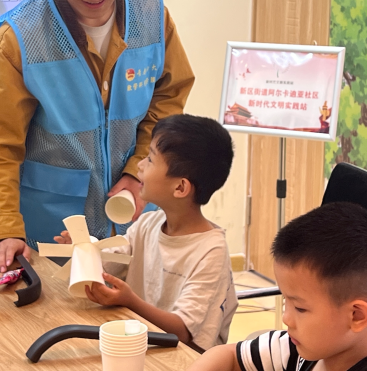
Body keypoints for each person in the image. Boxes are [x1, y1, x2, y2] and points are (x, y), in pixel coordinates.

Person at [0, 0, 195, 272]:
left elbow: (168, 100)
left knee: (137, 303)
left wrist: (138, 171)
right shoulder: (19, 38)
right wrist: (3, 228)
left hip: (137, 216)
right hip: (53, 226)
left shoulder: (152, 14)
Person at [55, 115, 238, 351]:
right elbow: (110, 263)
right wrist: (85, 249)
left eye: (150, 159)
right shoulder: (149, 223)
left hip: (184, 359)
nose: (140, 165)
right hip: (141, 343)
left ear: (180, 187)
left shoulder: (211, 252)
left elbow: (183, 331)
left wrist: (130, 301)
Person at [188, 202, 367, 371]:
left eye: (300, 308)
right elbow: (228, 356)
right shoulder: (297, 347)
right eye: (286, 301)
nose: (286, 318)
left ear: (356, 316)